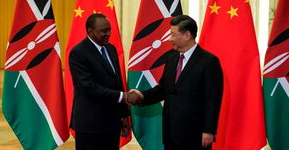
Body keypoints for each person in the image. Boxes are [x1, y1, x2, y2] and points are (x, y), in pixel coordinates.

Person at [128, 15, 223, 150]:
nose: (169, 39)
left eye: (173, 34)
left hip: (195, 134)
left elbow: (212, 99)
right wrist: (141, 95)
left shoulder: (208, 61)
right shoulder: (171, 58)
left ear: (187, 35)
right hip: (171, 132)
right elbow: (164, 89)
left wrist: (209, 130)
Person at [69, 13, 130, 150]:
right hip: (90, 126)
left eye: (109, 30)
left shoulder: (111, 49)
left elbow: (117, 83)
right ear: (90, 31)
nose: (108, 34)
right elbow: (89, 87)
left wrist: (124, 115)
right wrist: (123, 96)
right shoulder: (78, 52)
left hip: (112, 123)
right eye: (103, 31)